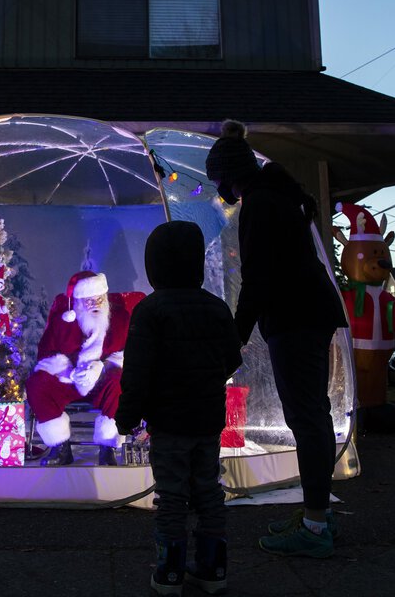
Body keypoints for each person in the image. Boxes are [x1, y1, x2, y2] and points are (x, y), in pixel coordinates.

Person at [204, 119, 349, 559]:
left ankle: (315, 525)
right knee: (313, 417)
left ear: (231, 176)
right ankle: (315, 512)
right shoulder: (276, 195)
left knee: (307, 420)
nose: (219, 192)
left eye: (218, 183)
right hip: (307, 314)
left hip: (296, 318)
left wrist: (235, 339)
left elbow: (258, 279)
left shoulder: (261, 204)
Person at [115, 220, 243, 596]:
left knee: (171, 495)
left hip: (168, 424)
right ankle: (213, 568)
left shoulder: (150, 311)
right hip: (206, 421)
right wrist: (207, 377)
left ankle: (170, 572)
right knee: (208, 490)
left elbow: (136, 371)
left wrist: (127, 415)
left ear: (154, 265)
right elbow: (232, 358)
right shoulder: (215, 307)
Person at [24, 271, 143, 466]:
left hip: (103, 381)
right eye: (89, 300)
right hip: (69, 381)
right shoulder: (63, 321)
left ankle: (108, 448)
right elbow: (47, 354)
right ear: (78, 302)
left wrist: (101, 368)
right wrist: (69, 371)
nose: (95, 304)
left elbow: (127, 355)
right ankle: (61, 447)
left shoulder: (120, 318)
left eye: (99, 299)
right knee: (37, 384)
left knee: (120, 382)